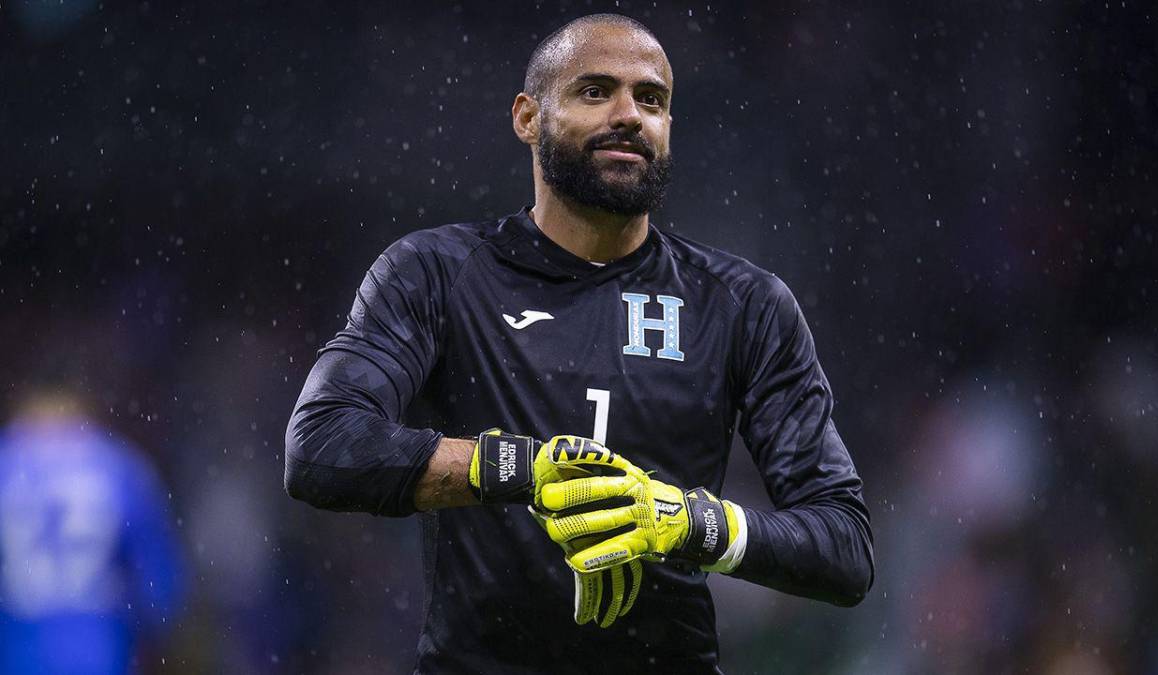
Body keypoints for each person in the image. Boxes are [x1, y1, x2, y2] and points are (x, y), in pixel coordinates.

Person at [284, 13, 873, 672]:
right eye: (595, 91)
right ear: (527, 117)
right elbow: (320, 446)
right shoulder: (435, 272)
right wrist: (522, 470)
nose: (629, 115)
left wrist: (688, 522)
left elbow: (844, 545)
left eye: (651, 99)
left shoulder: (745, 305)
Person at [0, 390, 185, 675]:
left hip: (18, 654)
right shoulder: (118, 465)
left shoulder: (7, 461)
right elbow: (160, 589)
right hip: (100, 652)